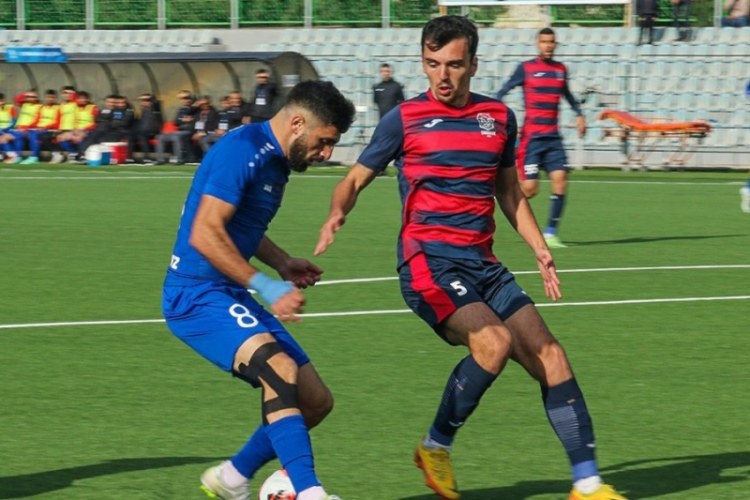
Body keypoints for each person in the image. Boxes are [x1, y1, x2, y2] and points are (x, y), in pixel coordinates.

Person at [315, 16, 626, 500]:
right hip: (428, 263)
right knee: (493, 343)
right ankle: (435, 447)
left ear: (474, 64)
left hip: (484, 264)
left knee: (551, 354)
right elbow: (354, 179)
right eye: (432, 63)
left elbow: (509, 192)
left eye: (454, 65)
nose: (442, 75)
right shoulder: (404, 119)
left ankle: (588, 485)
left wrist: (539, 247)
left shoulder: (498, 118)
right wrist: (338, 211)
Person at [162, 80, 355, 500]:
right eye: (324, 142)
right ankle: (310, 492)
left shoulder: (276, 160)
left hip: (228, 293)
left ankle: (232, 478)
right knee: (279, 369)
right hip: (196, 295)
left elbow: (241, 228)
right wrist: (266, 285)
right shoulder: (242, 150)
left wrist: (281, 262)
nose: (326, 154)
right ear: (298, 124)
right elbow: (205, 234)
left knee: (315, 401)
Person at [496, 27, 586, 249]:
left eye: (551, 41)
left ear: (555, 44)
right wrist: (496, 113)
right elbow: (503, 90)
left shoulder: (560, 70)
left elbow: (568, 95)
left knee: (561, 181)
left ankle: (551, 234)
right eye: (544, 41)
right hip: (532, 139)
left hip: (553, 139)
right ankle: (499, 194)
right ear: (538, 44)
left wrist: (579, 114)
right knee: (529, 189)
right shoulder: (526, 68)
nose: (548, 45)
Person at [155, 90, 196, 164]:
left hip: (189, 130)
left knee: (176, 136)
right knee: (160, 137)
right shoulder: (181, 109)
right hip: (180, 130)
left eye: (187, 98)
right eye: (182, 98)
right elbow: (176, 121)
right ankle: (160, 160)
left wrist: (183, 120)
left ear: (191, 98)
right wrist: (184, 120)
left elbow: (195, 120)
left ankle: (179, 159)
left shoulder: (195, 108)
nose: (185, 100)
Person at [129, 93, 163, 164]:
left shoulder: (155, 109)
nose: (144, 102)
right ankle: (129, 158)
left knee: (142, 135)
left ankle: (147, 158)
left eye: (146, 100)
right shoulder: (142, 110)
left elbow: (156, 102)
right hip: (142, 131)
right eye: (142, 100)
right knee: (131, 136)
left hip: (153, 131)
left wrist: (151, 99)